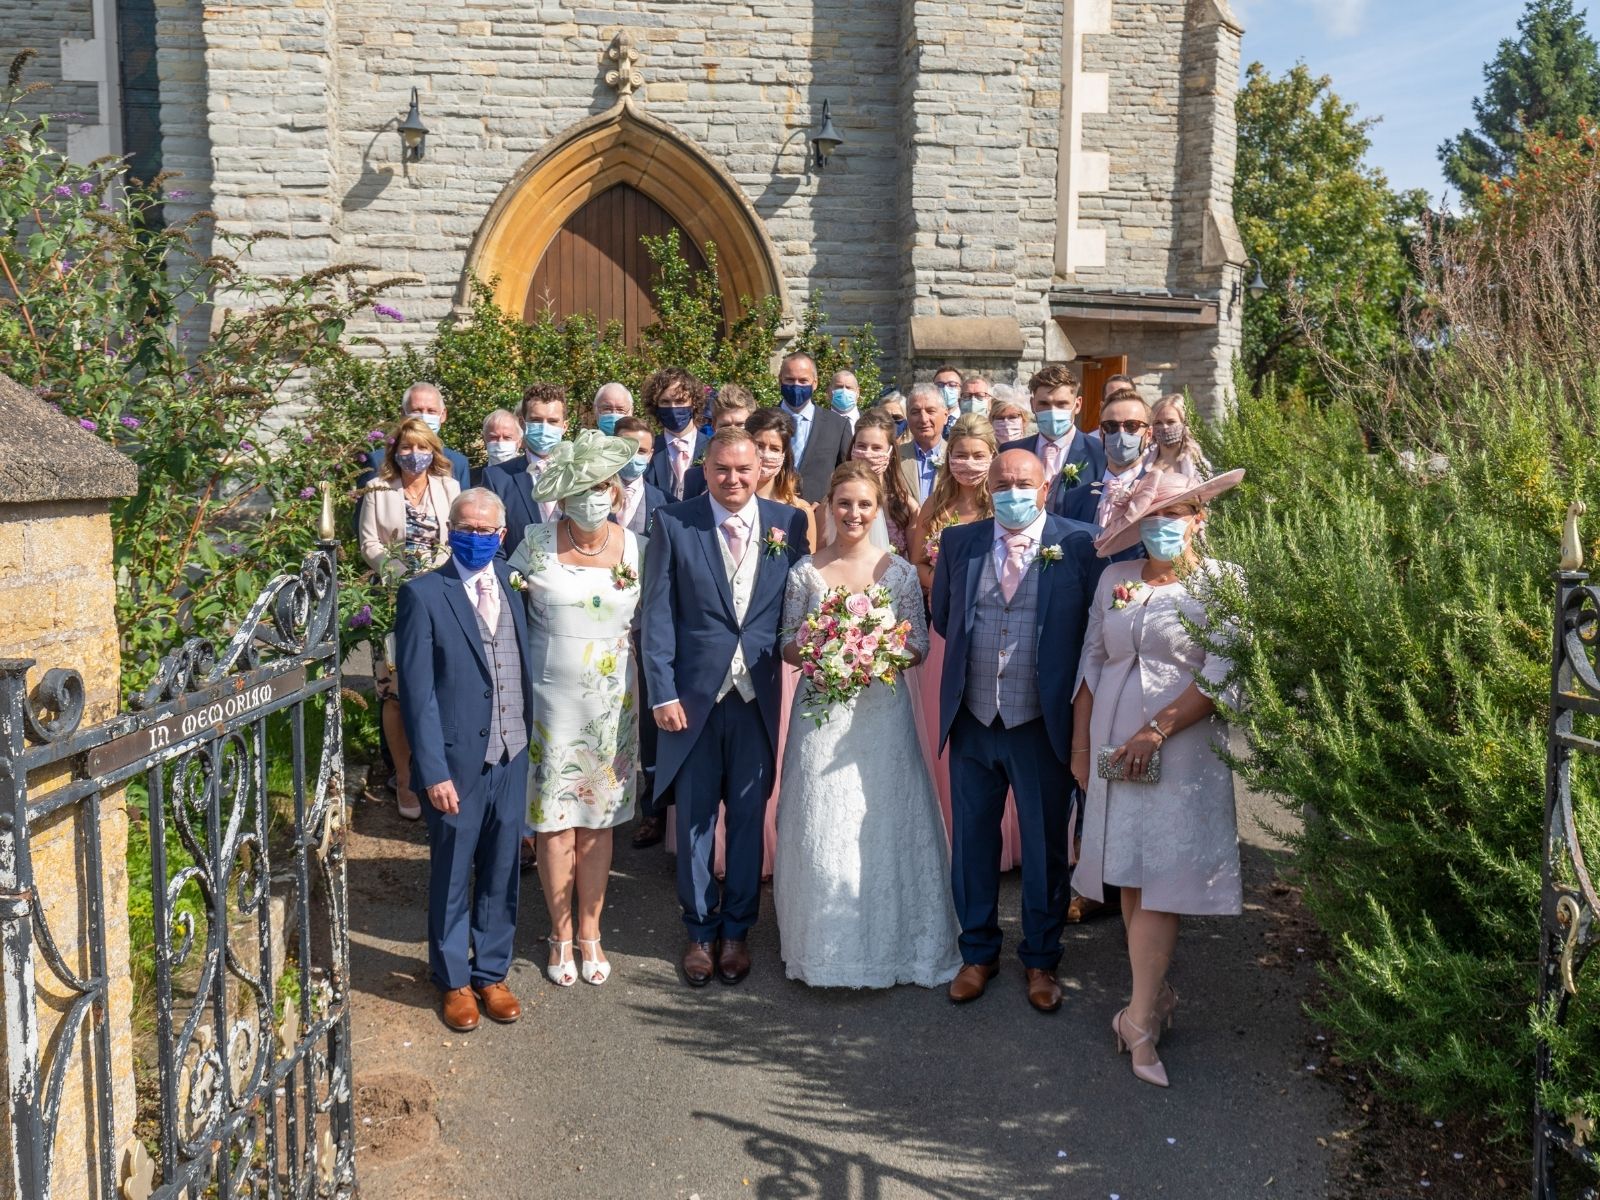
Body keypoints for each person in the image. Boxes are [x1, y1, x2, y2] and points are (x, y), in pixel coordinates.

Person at [1072, 467, 1247, 1087]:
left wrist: (1158, 729)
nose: (1162, 527)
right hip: (1112, 745)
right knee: (1130, 872)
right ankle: (1152, 997)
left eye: (1175, 515)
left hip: (1182, 751)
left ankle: (1139, 1019)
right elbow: (1093, 658)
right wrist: (1080, 744)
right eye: (1152, 516)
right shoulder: (1114, 579)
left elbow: (1224, 671)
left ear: (1200, 519)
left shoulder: (1226, 583)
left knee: (1164, 877)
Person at [775, 461, 963, 988]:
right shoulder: (804, 572)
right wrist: (823, 651)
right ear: (829, 508)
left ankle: (899, 942)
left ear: (878, 510)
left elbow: (919, 646)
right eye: (844, 504)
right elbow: (787, 640)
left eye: (864, 505)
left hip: (881, 715)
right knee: (822, 818)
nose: (853, 513)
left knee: (883, 821)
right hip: (822, 715)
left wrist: (872, 654)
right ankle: (822, 947)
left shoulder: (899, 572)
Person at [930, 449, 1104, 1013]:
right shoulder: (961, 543)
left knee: (1045, 845)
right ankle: (977, 952)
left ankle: (1041, 959)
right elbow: (944, 616)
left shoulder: (1080, 544)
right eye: (1002, 483)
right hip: (974, 719)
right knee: (972, 844)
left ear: (1046, 486)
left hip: (1040, 721)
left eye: (1023, 483)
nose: (1012, 492)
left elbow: (1092, 631)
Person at [641, 428, 811, 987]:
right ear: (705, 469)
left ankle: (737, 930)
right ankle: (697, 930)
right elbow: (659, 615)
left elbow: (802, 600)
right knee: (692, 821)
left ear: (761, 468)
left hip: (757, 695)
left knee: (746, 819)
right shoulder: (674, 521)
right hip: (691, 701)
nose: (733, 479)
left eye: (744, 469)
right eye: (722, 470)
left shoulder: (790, 524)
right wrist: (662, 692)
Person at [507, 431, 646, 988]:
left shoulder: (635, 545)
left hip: (611, 707)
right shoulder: (534, 543)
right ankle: (559, 933)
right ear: (562, 498)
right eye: (581, 490)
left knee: (597, 822)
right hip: (550, 706)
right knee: (554, 824)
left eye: (602, 488)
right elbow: (506, 620)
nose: (593, 498)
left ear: (614, 492)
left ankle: (591, 930)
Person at [395, 487, 532, 1033]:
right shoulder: (425, 594)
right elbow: (417, 692)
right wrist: (432, 771)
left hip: (513, 750)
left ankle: (492, 972)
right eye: (466, 527)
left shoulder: (516, 590)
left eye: (486, 530)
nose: (476, 537)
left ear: (502, 536)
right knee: (452, 870)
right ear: (450, 529)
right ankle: (453, 979)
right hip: (456, 763)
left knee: (502, 870)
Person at [907, 414, 1022, 868]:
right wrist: (944, 579)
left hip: (996, 635)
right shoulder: (933, 509)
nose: (968, 464)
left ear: (993, 458)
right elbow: (916, 561)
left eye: (978, 456)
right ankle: (954, 835)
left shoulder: (1004, 508)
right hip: (946, 632)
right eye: (960, 455)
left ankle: (1005, 842)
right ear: (946, 457)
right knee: (951, 735)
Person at [358, 416, 461, 821]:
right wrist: (396, 568)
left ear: (433, 452)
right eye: (406, 448)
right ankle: (404, 777)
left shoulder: (449, 487)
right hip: (394, 597)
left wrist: (434, 571)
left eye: (422, 448)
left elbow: (456, 537)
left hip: (442, 595)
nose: (413, 455)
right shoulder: (378, 490)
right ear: (394, 451)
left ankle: (438, 772)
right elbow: (368, 541)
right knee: (397, 691)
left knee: (441, 684)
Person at [1003, 364, 1105, 517]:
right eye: (1044, 404)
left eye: (1061, 404)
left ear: (1077, 405)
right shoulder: (1011, 452)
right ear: (1032, 405)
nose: (1052, 411)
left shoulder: (1100, 453)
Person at [482, 382, 568, 560]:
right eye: (536, 420)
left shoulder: (583, 473)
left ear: (564, 426)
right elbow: (492, 543)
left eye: (552, 421)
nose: (545, 428)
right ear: (522, 422)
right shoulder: (498, 478)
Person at [1063, 388, 1152, 528]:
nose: (1121, 433)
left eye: (1132, 426)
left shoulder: (1158, 493)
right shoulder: (1075, 498)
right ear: (1100, 432)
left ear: (1149, 434)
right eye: (1111, 426)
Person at [363, 382, 472, 489]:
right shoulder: (378, 461)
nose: (424, 417)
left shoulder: (458, 463)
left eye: (431, 411)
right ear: (403, 414)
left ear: (443, 415)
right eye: (416, 411)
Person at [780, 352, 854, 502]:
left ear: (815, 383)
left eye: (803, 381)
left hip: (819, 515)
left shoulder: (838, 426)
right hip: (771, 510)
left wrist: (826, 504)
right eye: (789, 380)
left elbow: (848, 475)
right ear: (780, 380)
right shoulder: (762, 422)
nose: (796, 386)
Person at [847, 408, 919, 556]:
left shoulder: (905, 506)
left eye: (876, 448)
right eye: (861, 446)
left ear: (890, 452)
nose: (868, 454)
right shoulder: (834, 500)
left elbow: (915, 560)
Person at [642, 367, 710, 502]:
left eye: (680, 401)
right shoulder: (647, 449)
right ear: (656, 405)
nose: (673, 408)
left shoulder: (712, 446)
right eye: (665, 402)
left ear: (694, 403)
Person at [681, 384, 758, 499]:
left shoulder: (769, 472)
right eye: (725, 425)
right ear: (714, 426)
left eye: (740, 424)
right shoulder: (695, 478)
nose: (733, 431)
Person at [613, 416, 668, 536]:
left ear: (650, 455)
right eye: (627, 449)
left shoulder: (666, 502)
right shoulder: (591, 493)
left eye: (641, 451)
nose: (633, 456)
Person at [898, 383, 947, 502]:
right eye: (915, 412)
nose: (923, 419)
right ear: (907, 418)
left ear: (945, 416)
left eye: (930, 411)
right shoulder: (894, 456)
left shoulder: (956, 456)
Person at [1145, 394, 1210, 480]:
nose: (1164, 427)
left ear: (1184, 423)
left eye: (1171, 422)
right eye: (1158, 423)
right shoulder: (1143, 460)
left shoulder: (1198, 465)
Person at [473, 409, 523, 486]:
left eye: (507, 437)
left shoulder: (529, 475)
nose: (500, 443)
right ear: (485, 440)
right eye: (494, 437)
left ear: (519, 442)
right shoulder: (470, 478)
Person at [932, 364, 963, 437]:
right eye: (939, 385)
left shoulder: (967, 418)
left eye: (952, 385)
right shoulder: (926, 419)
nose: (945, 389)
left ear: (961, 389)